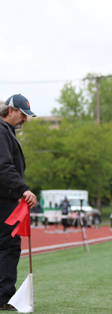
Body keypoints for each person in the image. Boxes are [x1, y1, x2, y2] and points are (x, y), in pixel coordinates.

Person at [0, 94, 37, 311]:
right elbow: (4, 168)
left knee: (6, 247)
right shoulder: (2, 132)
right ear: (11, 110)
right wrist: (24, 189)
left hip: (6, 198)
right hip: (5, 201)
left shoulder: (7, 132)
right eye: (23, 114)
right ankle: (4, 297)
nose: (25, 119)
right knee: (8, 247)